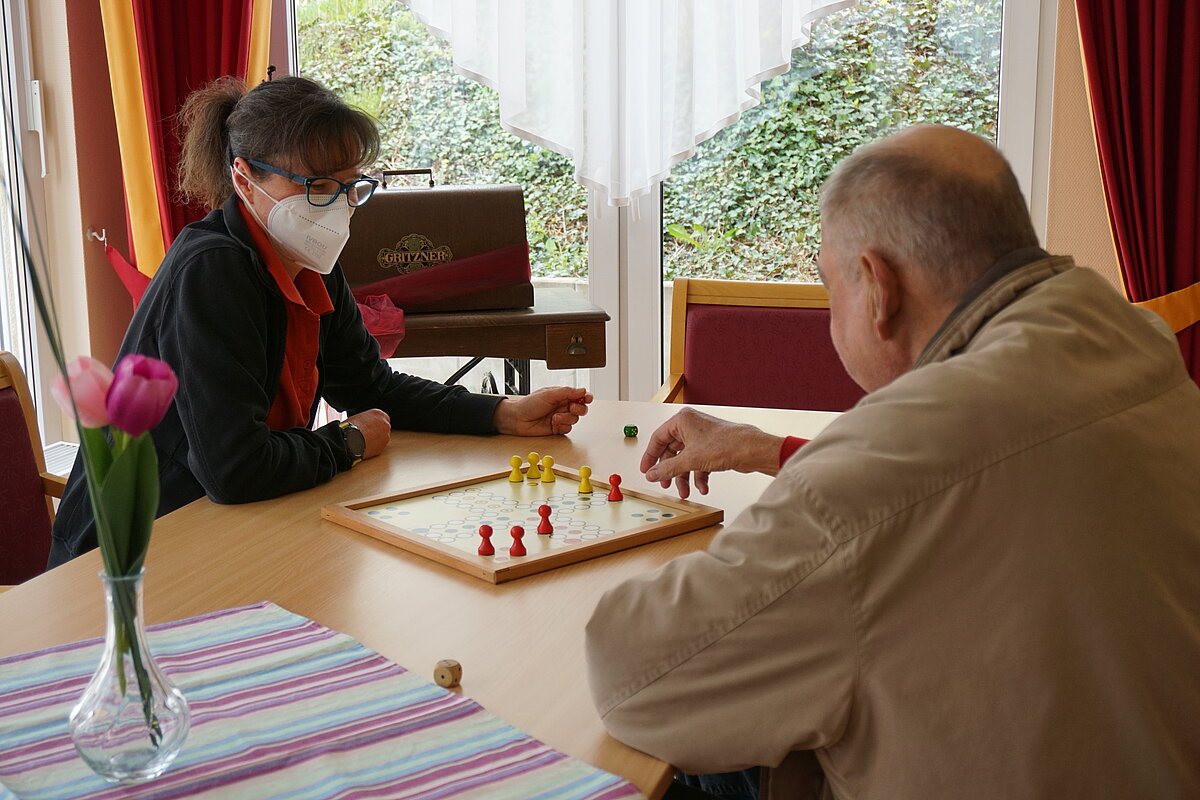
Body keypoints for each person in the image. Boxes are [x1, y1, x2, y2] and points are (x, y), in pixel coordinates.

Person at [585, 125, 1200, 799]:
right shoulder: (1128, 341)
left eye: (830, 290)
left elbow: (633, 675)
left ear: (879, 288)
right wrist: (767, 449)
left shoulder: (889, 462)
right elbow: (975, 478)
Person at [49, 76, 591, 567]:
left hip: (220, 529)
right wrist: (348, 442)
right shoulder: (212, 271)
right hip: (127, 553)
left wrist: (502, 413)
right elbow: (234, 469)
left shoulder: (308, 259)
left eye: (350, 186)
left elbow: (371, 386)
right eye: (317, 187)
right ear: (244, 179)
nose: (336, 207)